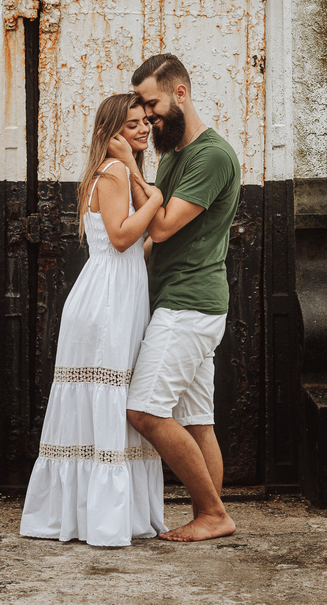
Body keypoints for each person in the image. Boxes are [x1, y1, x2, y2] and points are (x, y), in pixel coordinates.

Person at [20, 93, 167, 546]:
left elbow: (136, 245)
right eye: (131, 125)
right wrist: (156, 193)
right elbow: (124, 237)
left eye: (145, 122)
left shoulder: (113, 171)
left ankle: (93, 513)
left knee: (110, 395)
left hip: (113, 290)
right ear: (111, 134)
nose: (142, 130)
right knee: (110, 394)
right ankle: (103, 518)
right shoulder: (116, 170)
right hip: (106, 301)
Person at [111, 53, 241, 542]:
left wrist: (129, 164)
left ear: (180, 93)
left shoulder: (210, 155)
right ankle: (213, 515)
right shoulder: (172, 156)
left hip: (189, 305)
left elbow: (160, 225)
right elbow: (145, 233)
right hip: (185, 302)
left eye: (153, 104)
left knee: (144, 412)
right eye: (142, 108)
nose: (148, 116)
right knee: (197, 422)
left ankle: (212, 513)